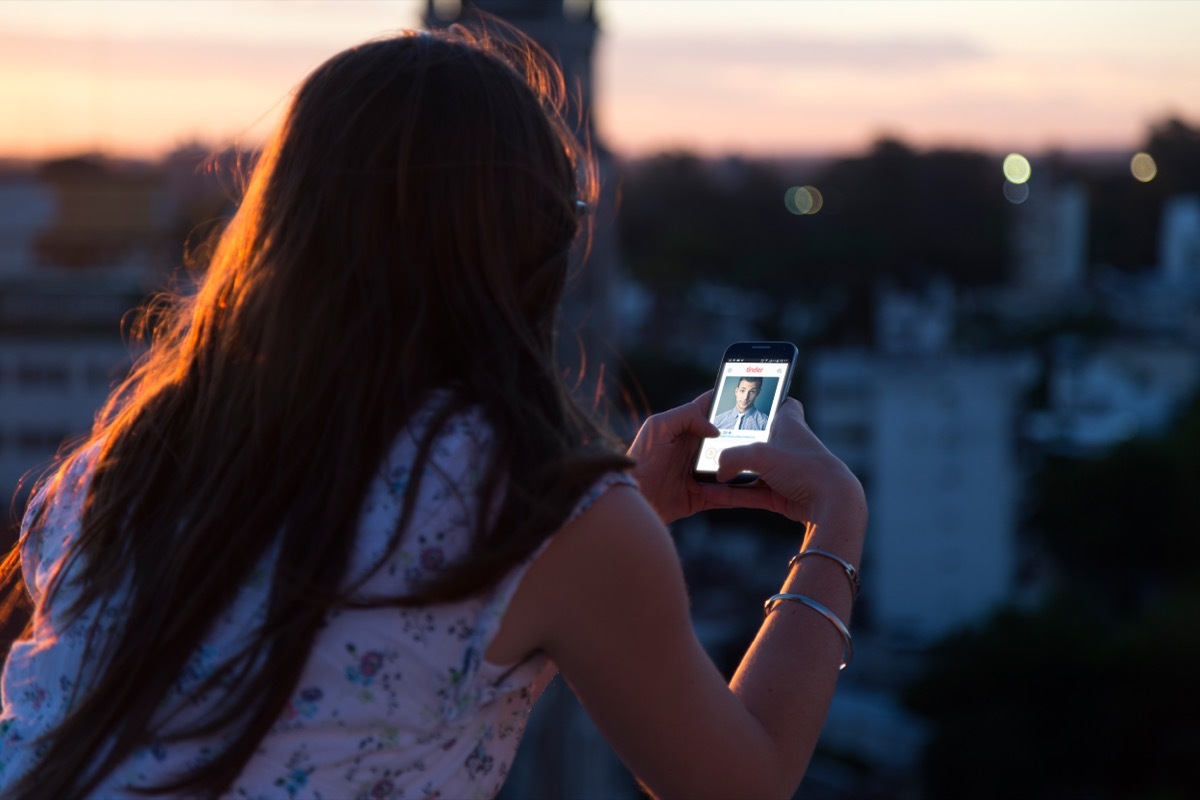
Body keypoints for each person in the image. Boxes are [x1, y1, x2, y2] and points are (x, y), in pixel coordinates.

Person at [0, 20, 866, 800]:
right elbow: (740, 787)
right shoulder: (538, 510)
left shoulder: (128, 462)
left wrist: (613, 522)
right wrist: (836, 523)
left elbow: (379, 674)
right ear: (532, 249)